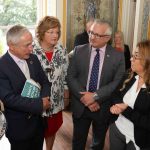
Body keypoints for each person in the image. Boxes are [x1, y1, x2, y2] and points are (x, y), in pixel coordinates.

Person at [67, 19, 125, 150]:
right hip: (80, 105)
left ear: (107, 38)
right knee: (78, 141)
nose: (92, 37)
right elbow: (71, 76)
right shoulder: (78, 50)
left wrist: (95, 96)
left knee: (98, 143)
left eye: (97, 35)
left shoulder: (118, 56)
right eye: (91, 32)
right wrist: (86, 99)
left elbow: (116, 83)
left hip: (102, 106)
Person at [0, 25, 51, 150]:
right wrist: (40, 104)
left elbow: (45, 81)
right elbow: (8, 98)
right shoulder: (2, 66)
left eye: (32, 44)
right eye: (27, 45)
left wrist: (44, 97)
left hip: (38, 124)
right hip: (19, 128)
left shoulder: (33, 58)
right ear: (12, 46)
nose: (31, 49)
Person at [33, 16, 69, 150]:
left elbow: (65, 73)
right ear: (42, 32)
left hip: (56, 100)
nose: (55, 35)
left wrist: (66, 94)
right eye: (51, 32)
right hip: (36, 101)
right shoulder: (31, 50)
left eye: (57, 32)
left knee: (52, 130)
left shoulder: (61, 50)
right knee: (36, 132)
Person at [109, 40, 150, 150]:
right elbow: (115, 93)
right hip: (117, 130)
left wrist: (125, 110)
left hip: (139, 141)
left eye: (135, 57)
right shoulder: (129, 74)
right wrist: (118, 105)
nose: (131, 59)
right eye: (132, 56)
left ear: (147, 60)